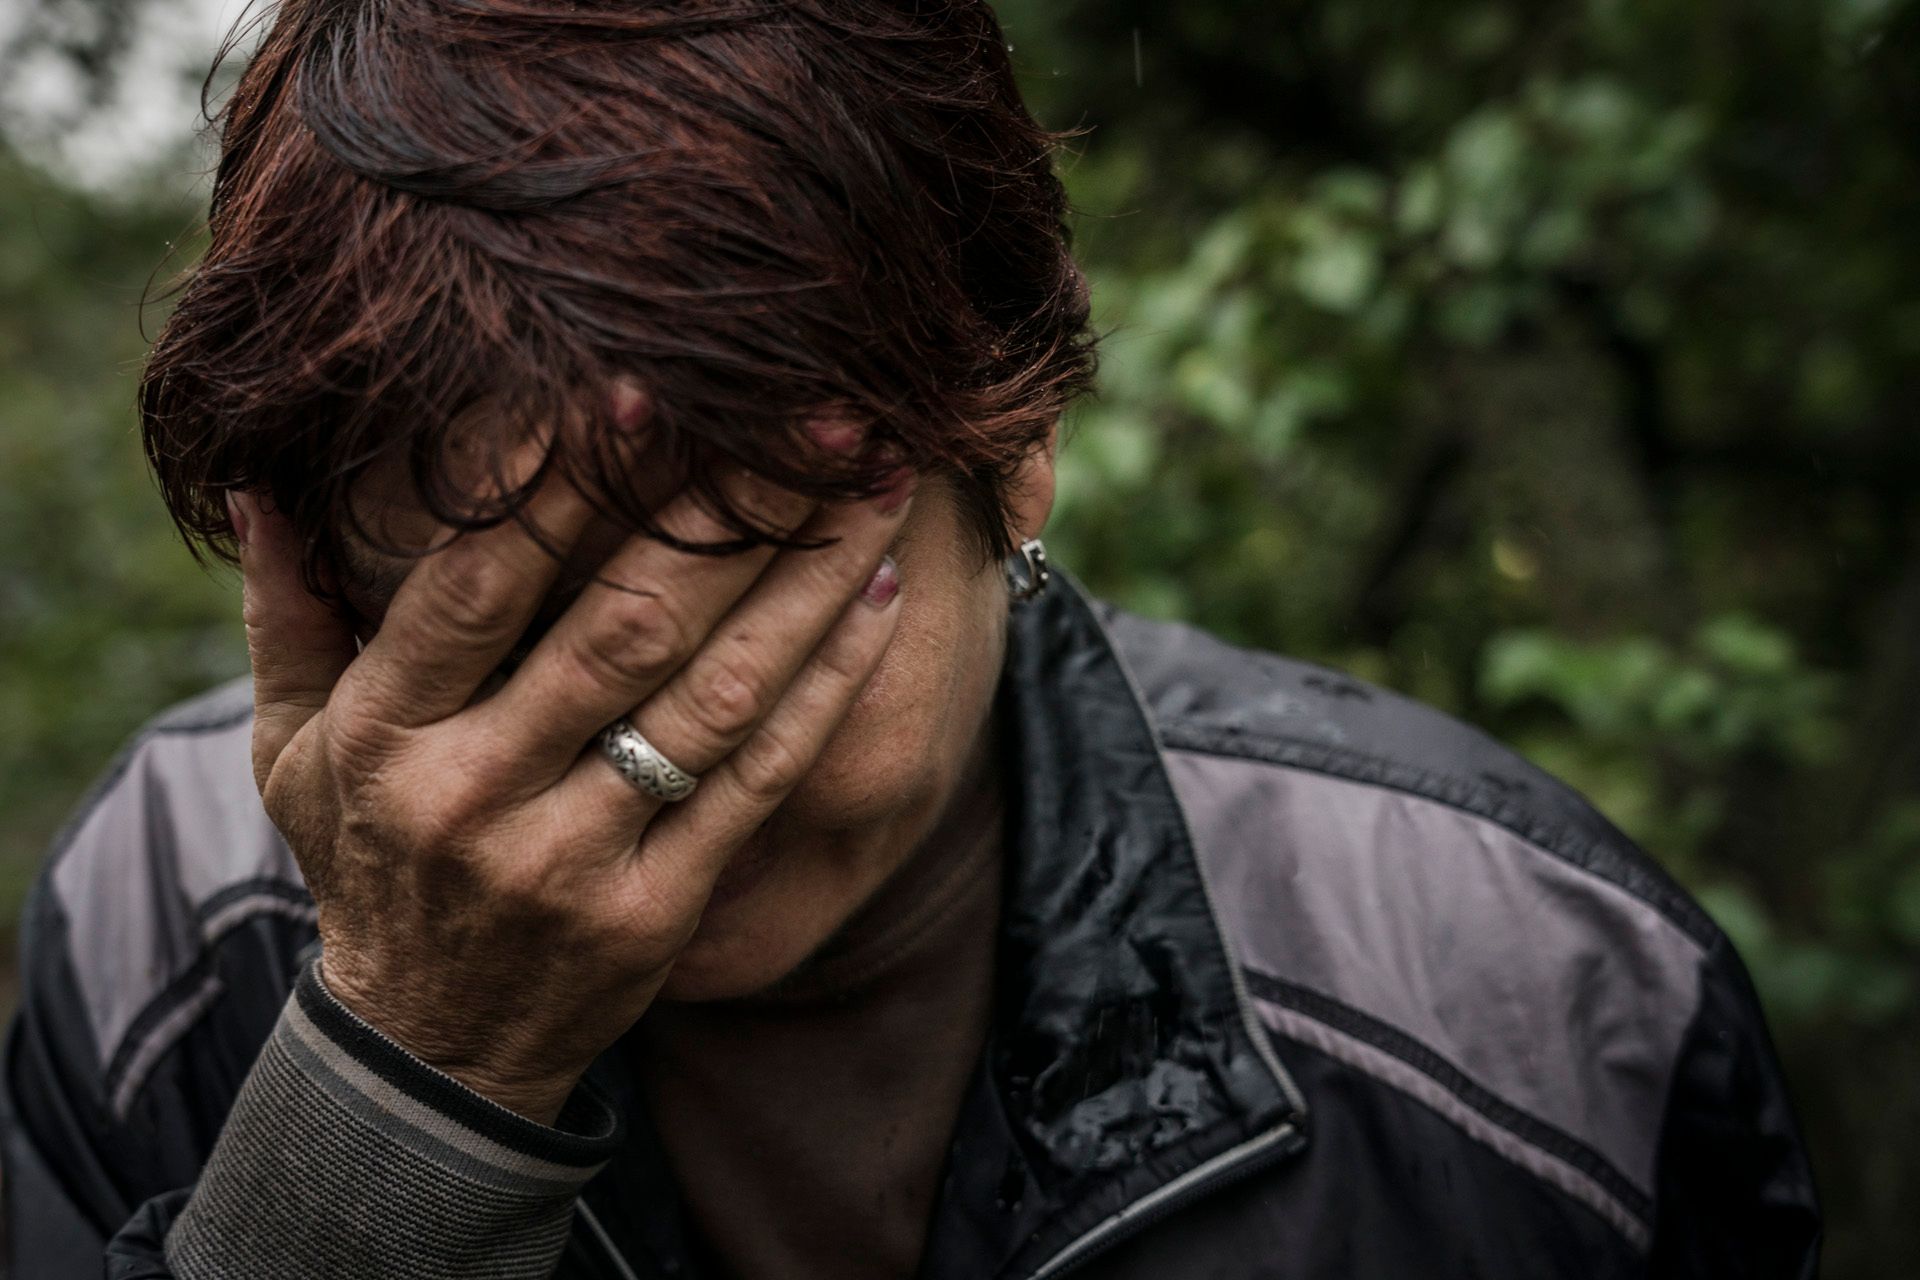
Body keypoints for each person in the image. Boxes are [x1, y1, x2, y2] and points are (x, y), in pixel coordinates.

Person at [0, 0, 1819, 1276]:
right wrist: (397, 1096)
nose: (628, 766)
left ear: (1012, 449)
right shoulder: (164, 927)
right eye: (487, 639)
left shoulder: (1525, 1004)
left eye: (733, 603)